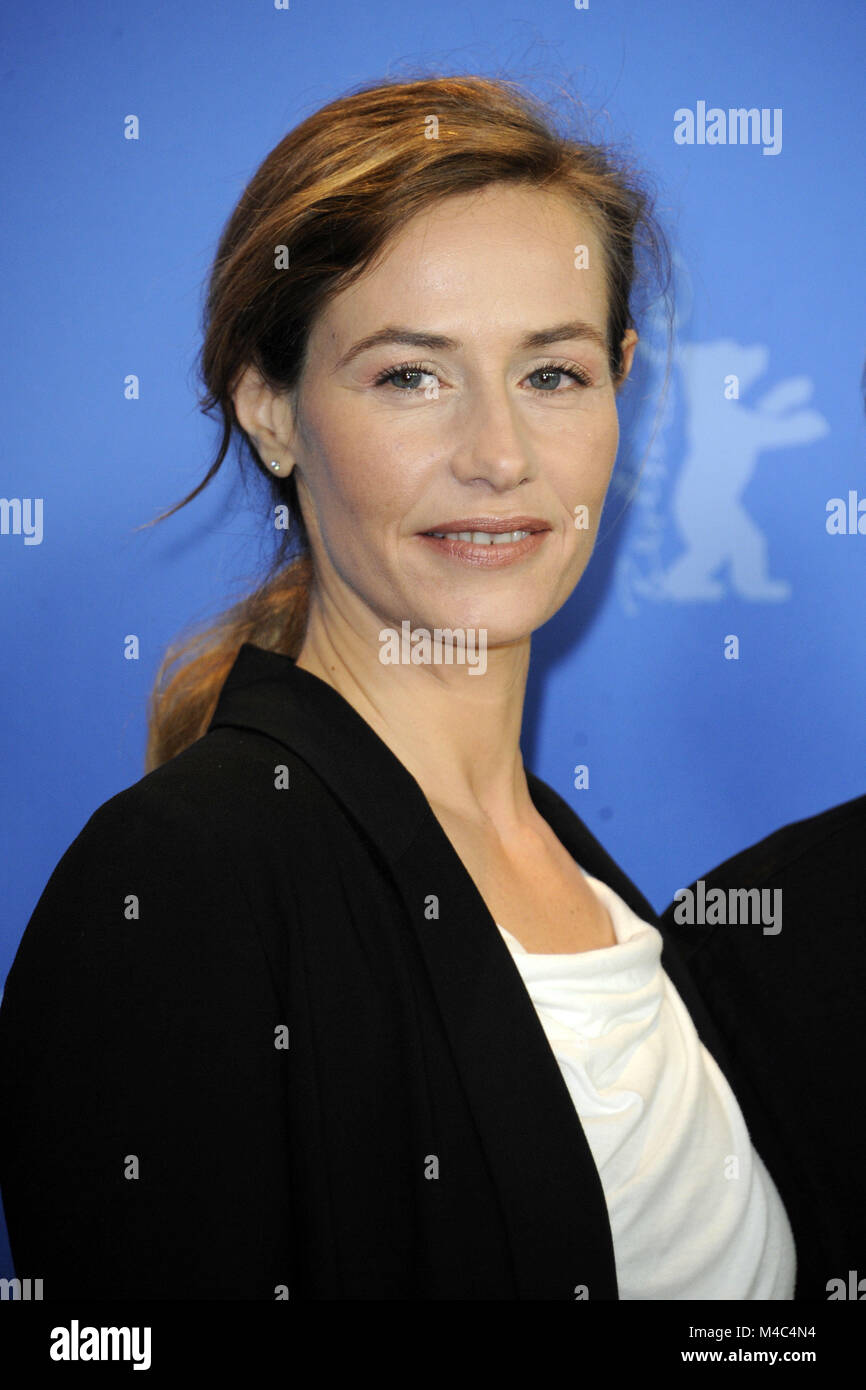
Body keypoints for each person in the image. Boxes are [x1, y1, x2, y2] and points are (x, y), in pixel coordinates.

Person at [0, 72, 824, 1301]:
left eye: (551, 374)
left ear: (620, 383)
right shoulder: (180, 885)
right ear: (270, 410)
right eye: (408, 375)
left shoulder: (598, 888)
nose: (498, 455)